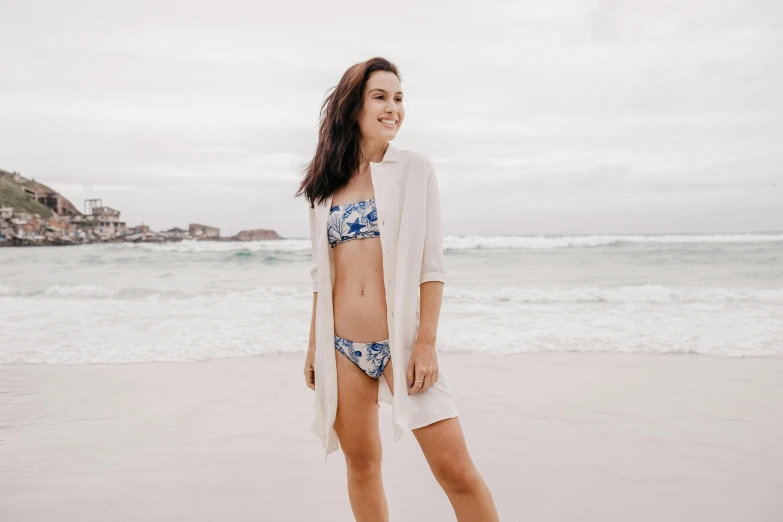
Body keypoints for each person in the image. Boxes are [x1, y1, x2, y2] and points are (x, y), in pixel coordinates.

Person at [296, 57, 499, 522]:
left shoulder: (414, 170)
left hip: (401, 344)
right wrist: (313, 346)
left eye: (399, 98)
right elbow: (321, 276)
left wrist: (425, 342)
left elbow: (431, 265)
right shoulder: (323, 185)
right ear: (353, 108)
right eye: (380, 97)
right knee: (362, 465)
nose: (393, 108)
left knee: (456, 471)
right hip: (342, 346)